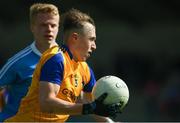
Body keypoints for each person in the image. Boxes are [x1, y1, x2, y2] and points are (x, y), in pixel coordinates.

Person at [5, 8, 121, 122]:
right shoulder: (56, 59)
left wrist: (108, 121)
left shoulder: (85, 69)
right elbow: (46, 103)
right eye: (91, 39)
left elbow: (87, 101)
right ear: (75, 38)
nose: (94, 46)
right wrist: (87, 108)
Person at [0, 3, 60, 121]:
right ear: (32, 27)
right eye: (43, 25)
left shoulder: (69, 59)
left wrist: (106, 120)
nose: (49, 29)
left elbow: (84, 96)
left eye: (53, 25)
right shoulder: (17, 62)